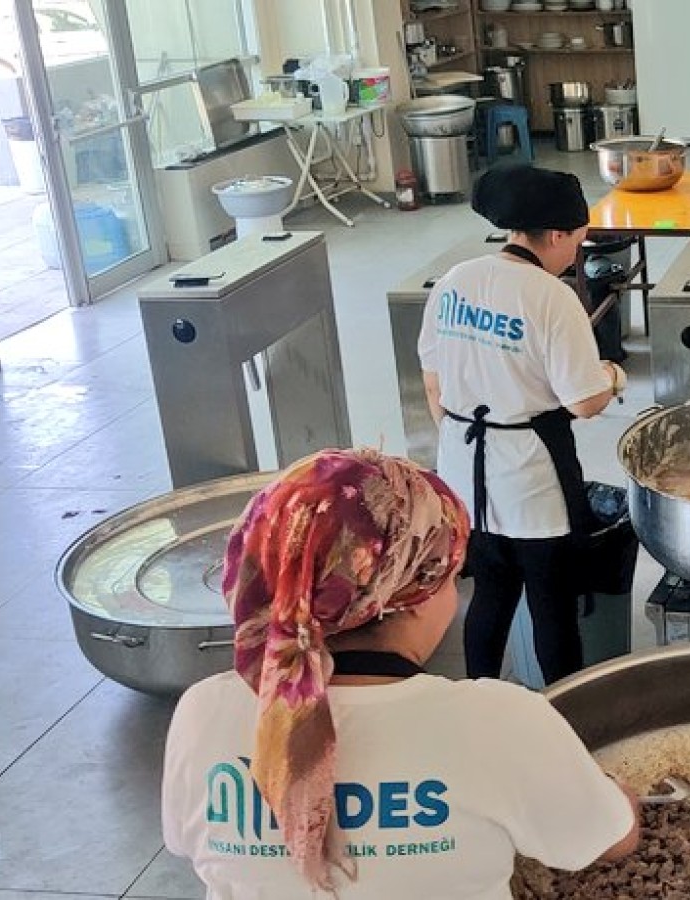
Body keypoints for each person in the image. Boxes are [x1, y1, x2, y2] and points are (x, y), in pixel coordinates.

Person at [161, 448, 639, 898]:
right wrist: (616, 793)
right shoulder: (499, 721)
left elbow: (184, 843)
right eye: (452, 578)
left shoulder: (203, 713)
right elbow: (614, 840)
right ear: (414, 598)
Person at [417, 165, 627, 684]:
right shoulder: (550, 297)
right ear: (556, 234)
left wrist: (464, 447)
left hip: (463, 475)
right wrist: (613, 375)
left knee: (489, 595)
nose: (576, 253)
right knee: (553, 607)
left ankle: (477, 701)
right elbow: (584, 402)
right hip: (532, 480)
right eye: (577, 241)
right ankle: (563, 711)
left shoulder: (454, 280)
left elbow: (433, 385)